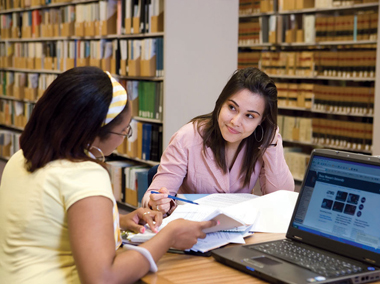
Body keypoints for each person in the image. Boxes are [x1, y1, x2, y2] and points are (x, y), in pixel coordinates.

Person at [0, 66, 217, 284]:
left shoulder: (21, 157)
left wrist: (117, 221)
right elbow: (102, 278)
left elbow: (50, 224)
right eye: (124, 130)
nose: (125, 137)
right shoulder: (84, 174)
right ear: (93, 132)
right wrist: (169, 236)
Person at [143, 67, 294, 214]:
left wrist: (272, 144)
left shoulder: (261, 142)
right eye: (232, 107)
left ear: (262, 120)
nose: (235, 121)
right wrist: (157, 202)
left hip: (239, 232)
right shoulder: (187, 137)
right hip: (192, 231)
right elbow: (153, 195)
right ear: (221, 102)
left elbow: (282, 199)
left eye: (250, 116)